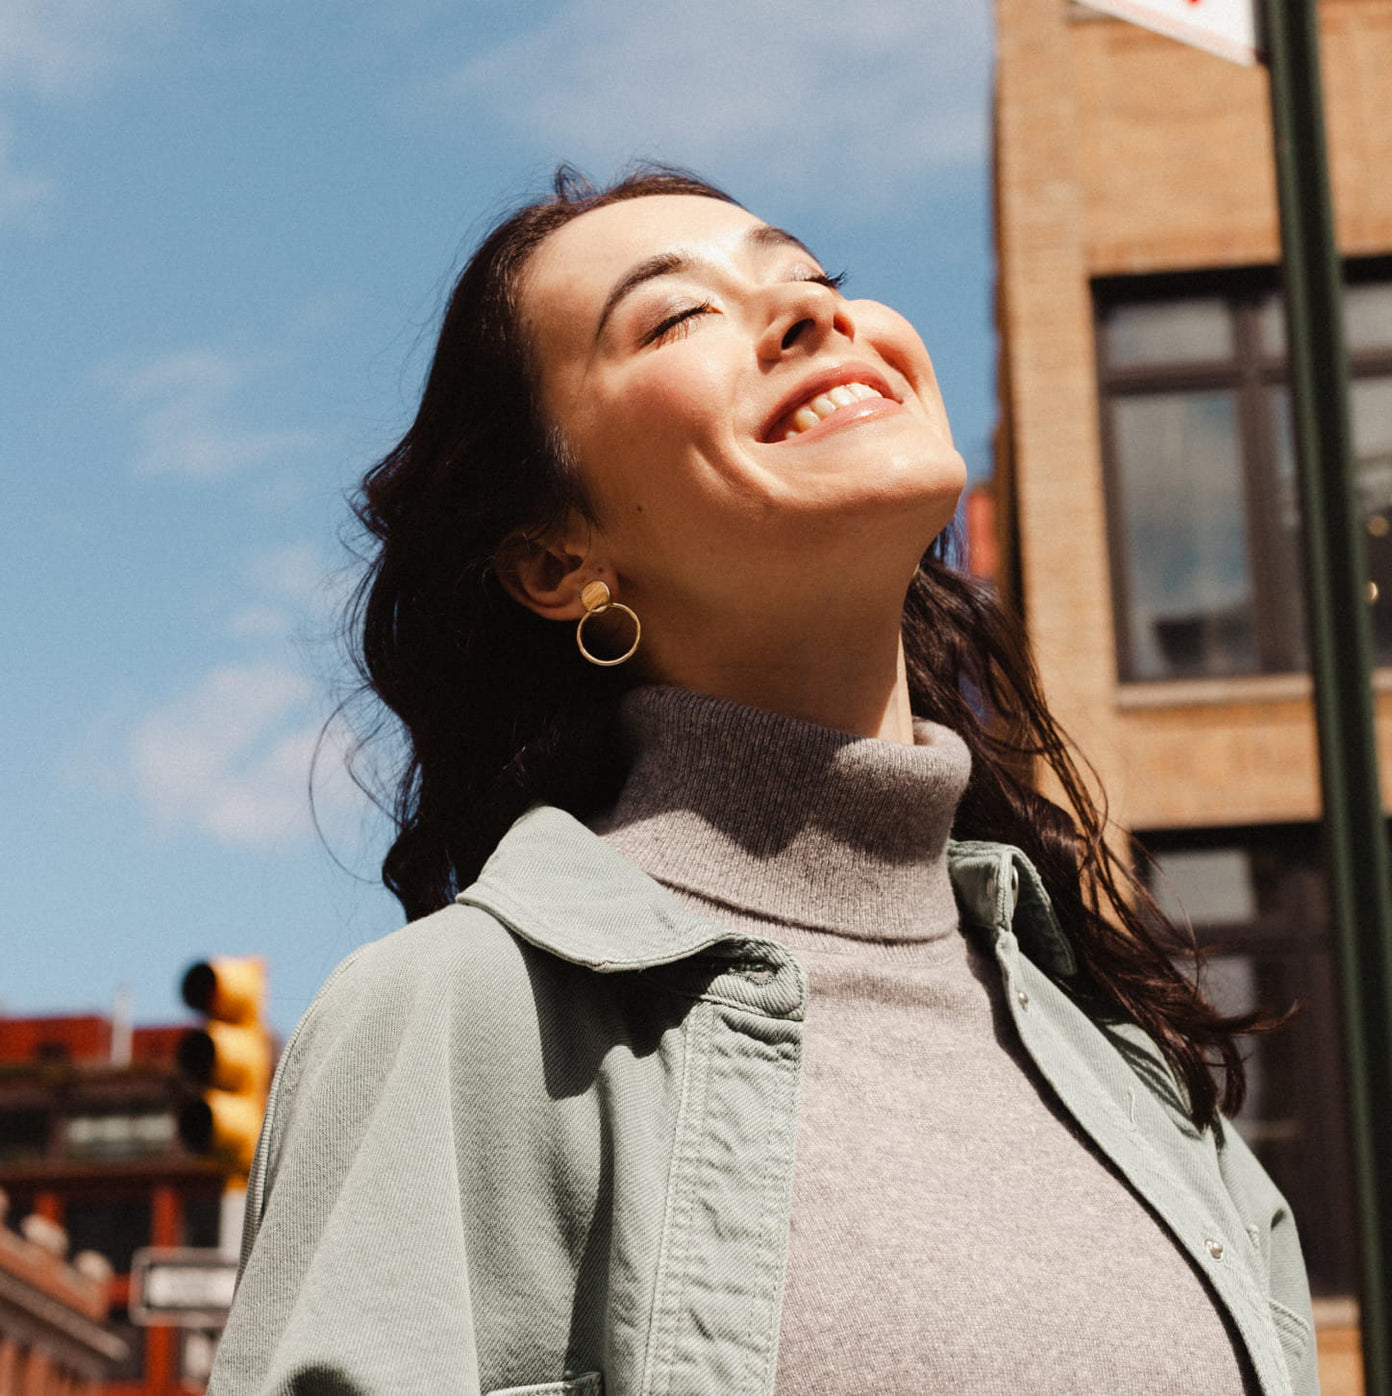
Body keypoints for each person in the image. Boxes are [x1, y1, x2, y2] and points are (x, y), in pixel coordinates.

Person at [208, 167, 1317, 1396]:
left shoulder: (1139, 1072)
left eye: (810, 277)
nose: (813, 315)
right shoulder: (465, 1020)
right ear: (555, 559)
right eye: (678, 316)